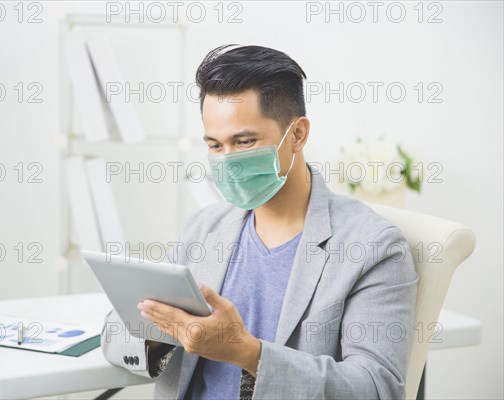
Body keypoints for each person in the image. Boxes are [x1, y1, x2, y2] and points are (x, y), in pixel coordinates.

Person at [101, 44, 418, 400]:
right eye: (215, 146)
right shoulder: (205, 228)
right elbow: (113, 335)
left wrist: (245, 352)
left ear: (297, 135)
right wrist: (167, 331)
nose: (228, 161)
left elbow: (377, 388)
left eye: (245, 141)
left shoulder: (373, 247)